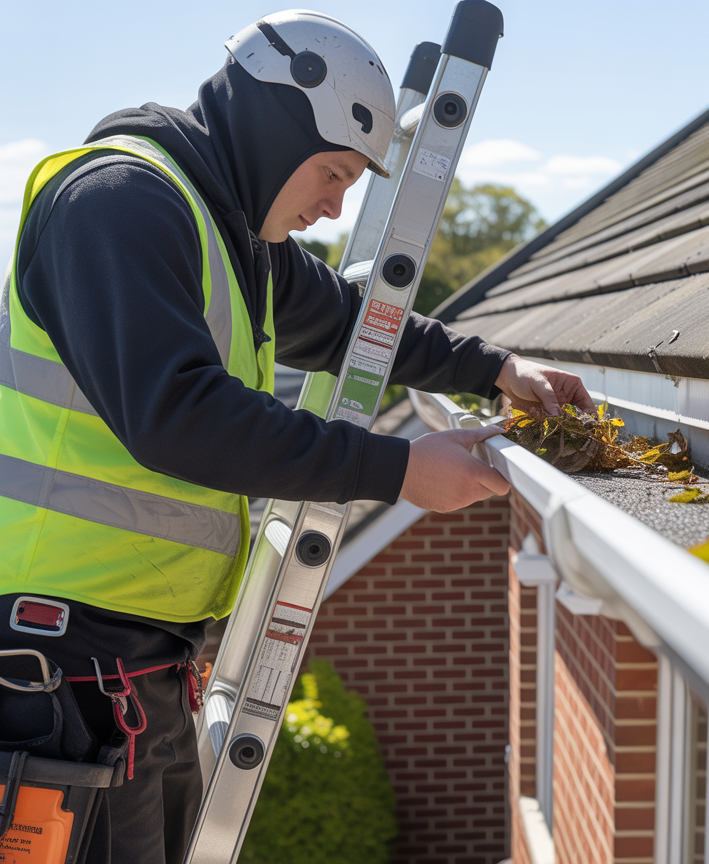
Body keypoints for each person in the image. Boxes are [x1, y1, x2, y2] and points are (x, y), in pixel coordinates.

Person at [0, 10, 592, 863]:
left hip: (131, 674)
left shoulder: (235, 239)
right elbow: (178, 414)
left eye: (351, 184)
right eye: (331, 171)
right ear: (271, 130)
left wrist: (498, 370)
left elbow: (360, 326)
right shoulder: (116, 205)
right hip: (58, 669)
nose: (335, 204)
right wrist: (396, 469)